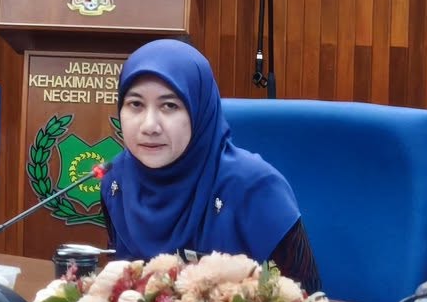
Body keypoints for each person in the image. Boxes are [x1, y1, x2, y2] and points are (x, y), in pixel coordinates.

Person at [98, 39, 322, 289]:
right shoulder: (116, 180)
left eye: (169, 106)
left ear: (200, 111)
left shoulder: (255, 188)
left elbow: (305, 298)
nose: (149, 126)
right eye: (136, 104)